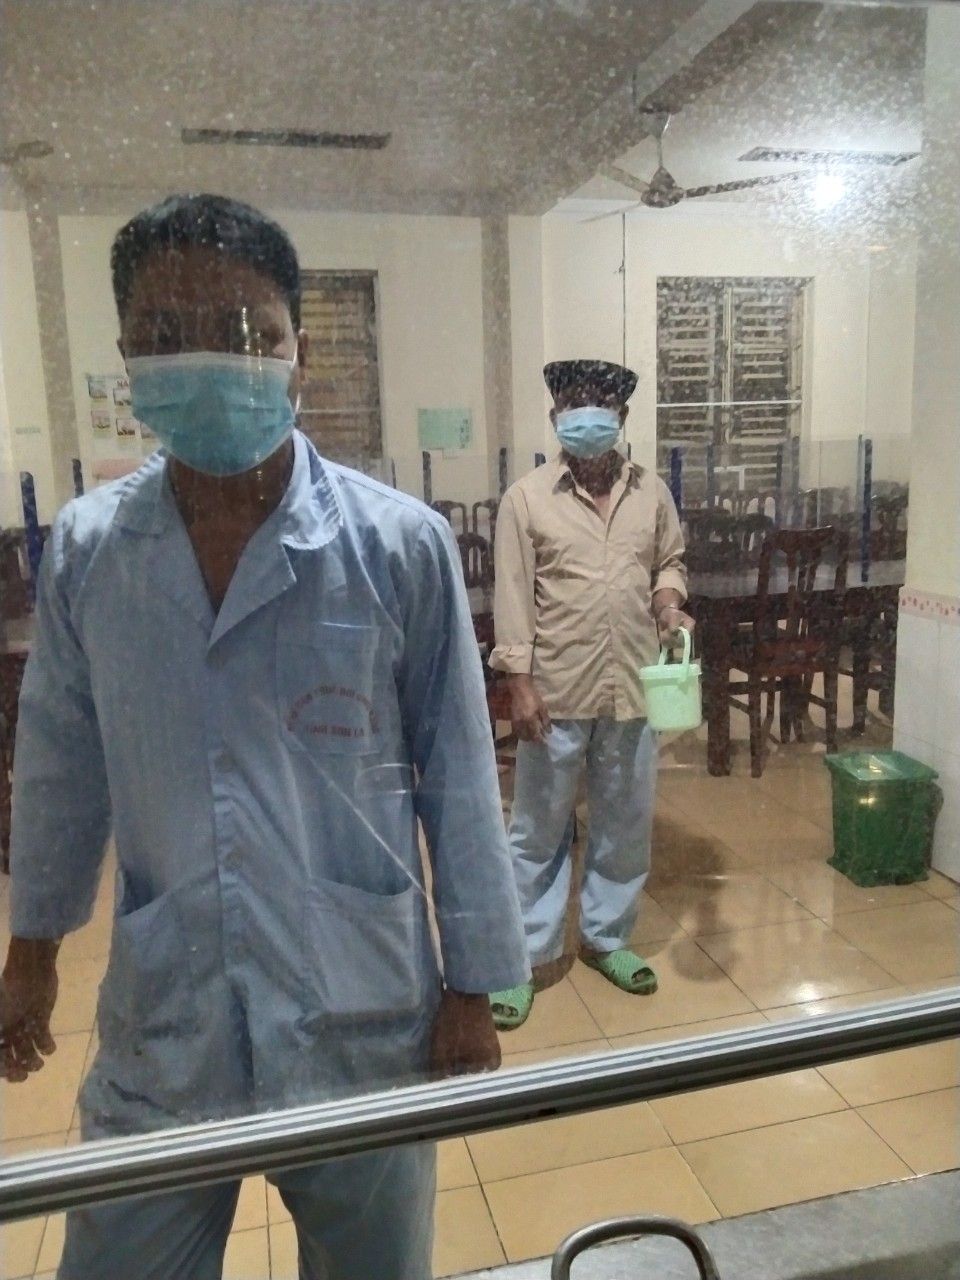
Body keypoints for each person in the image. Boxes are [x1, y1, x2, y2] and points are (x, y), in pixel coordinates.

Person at [0, 193, 529, 1280]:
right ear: (126, 358)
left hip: (360, 1011)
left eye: (245, 330)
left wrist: (473, 985)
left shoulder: (397, 546)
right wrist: (32, 951)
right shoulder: (93, 553)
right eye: (165, 333)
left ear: (298, 351)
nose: (207, 359)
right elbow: (59, 766)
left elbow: (460, 777)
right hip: (166, 1013)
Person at [487, 359, 693, 1030]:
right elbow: (513, 596)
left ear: (622, 418)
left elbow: (669, 560)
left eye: (599, 407)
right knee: (537, 829)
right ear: (554, 419)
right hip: (556, 690)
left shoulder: (650, 492)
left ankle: (607, 937)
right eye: (573, 408)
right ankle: (523, 956)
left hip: (632, 685)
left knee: (625, 823)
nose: (586, 419)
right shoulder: (527, 499)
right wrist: (519, 683)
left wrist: (668, 602)